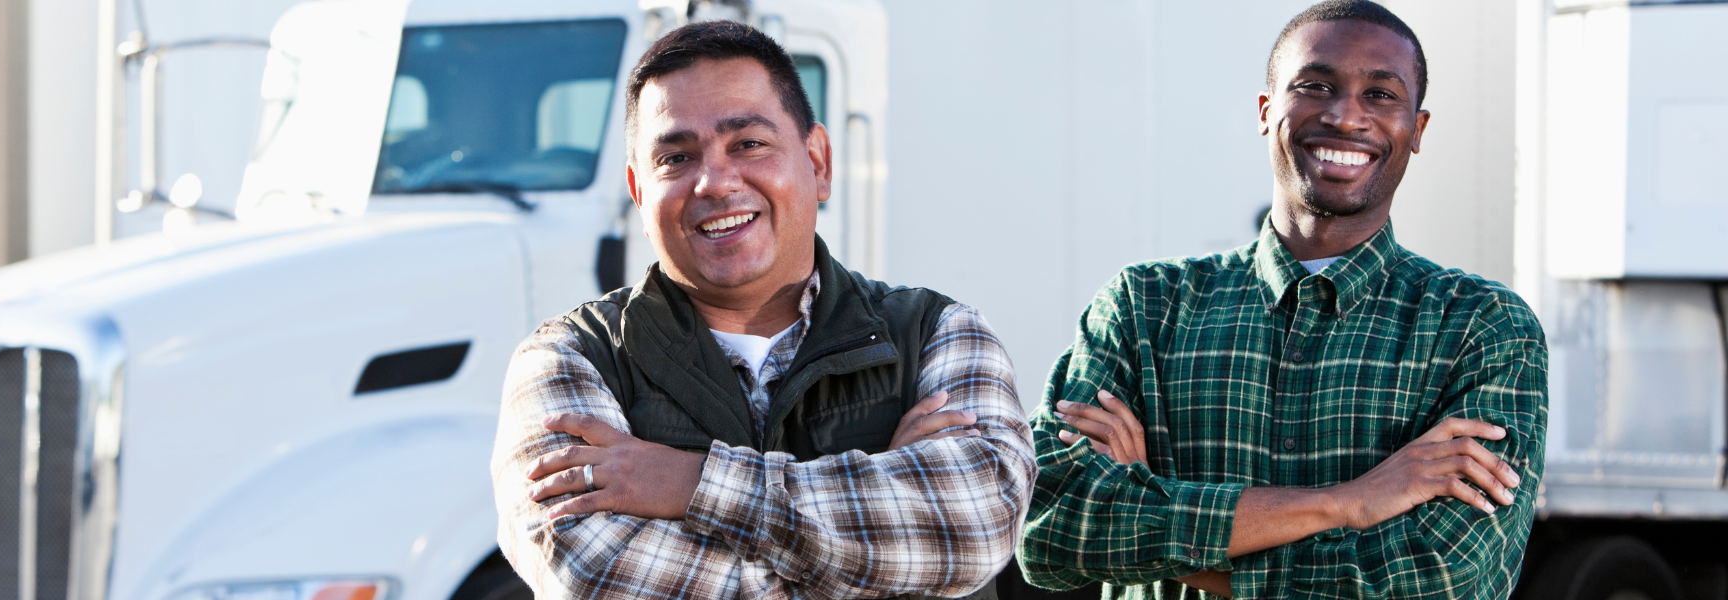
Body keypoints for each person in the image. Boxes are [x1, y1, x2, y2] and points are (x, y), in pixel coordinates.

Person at [1017, 1, 1546, 598]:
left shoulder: (1480, 326)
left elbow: (1441, 580)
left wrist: (1153, 531)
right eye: (1316, 85)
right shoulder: (1143, 307)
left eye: (1380, 94)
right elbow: (1051, 531)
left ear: (1417, 129)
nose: (1346, 116)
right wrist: (1348, 503)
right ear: (1267, 112)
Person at [491, 21, 1034, 600]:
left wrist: (691, 483)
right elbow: (598, 578)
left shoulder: (938, 334)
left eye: (748, 143)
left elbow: (977, 522)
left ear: (818, 162)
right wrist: (881, 543)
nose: (715, 182)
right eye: (676, 157)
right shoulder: (567, 359)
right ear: (639, 189)